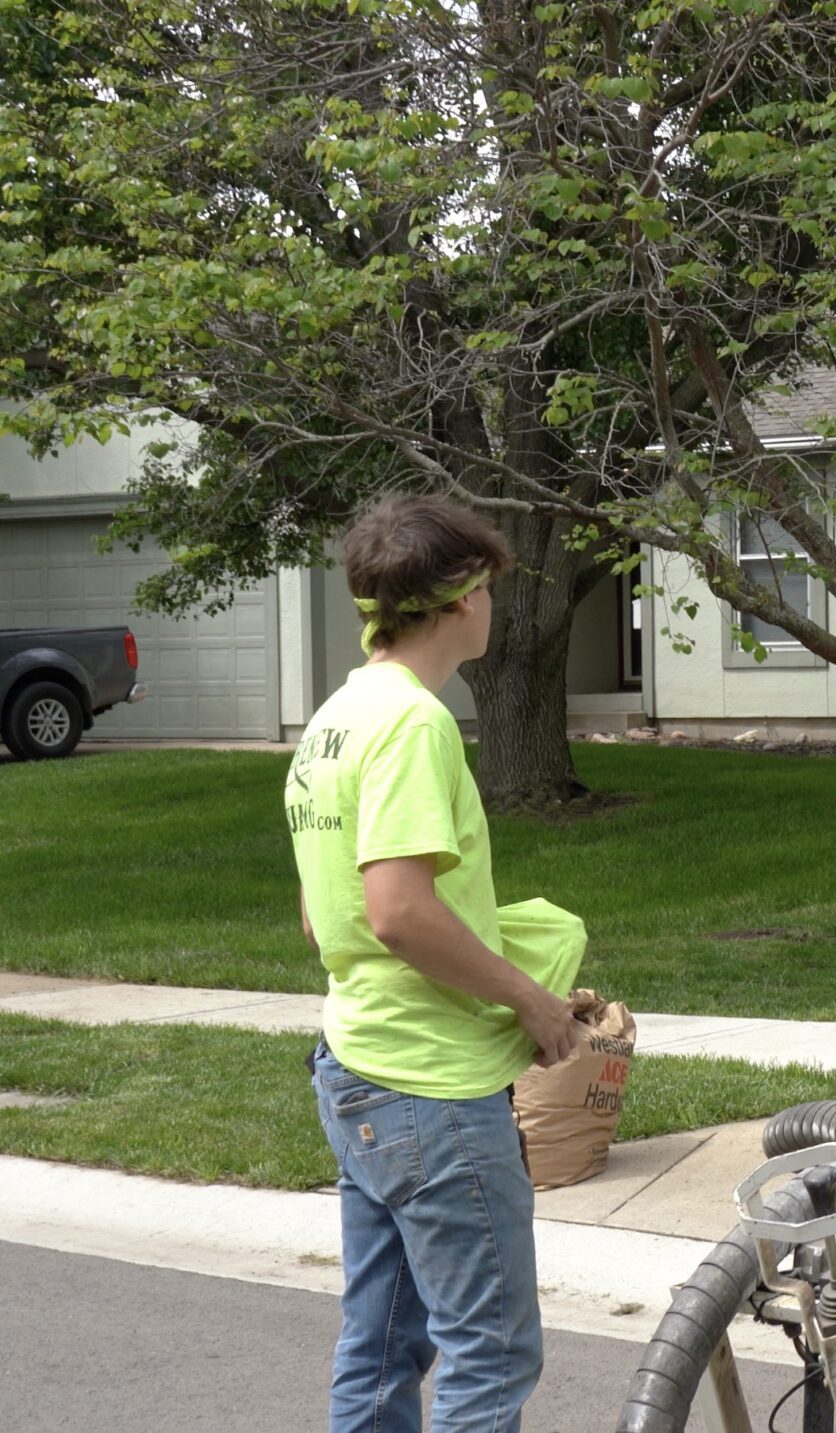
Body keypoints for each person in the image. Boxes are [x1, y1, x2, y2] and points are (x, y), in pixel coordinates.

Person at [288, 494, 586, 1433]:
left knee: (380, 1343)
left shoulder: (335, 719)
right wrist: (533, 1003)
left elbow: (319, 914)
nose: (494, 606)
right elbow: (398, 911)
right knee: (491, 1349)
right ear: (460, 596)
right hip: (433, 1087)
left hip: (358, 1066)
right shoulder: (414, 725)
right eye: (490, 588)